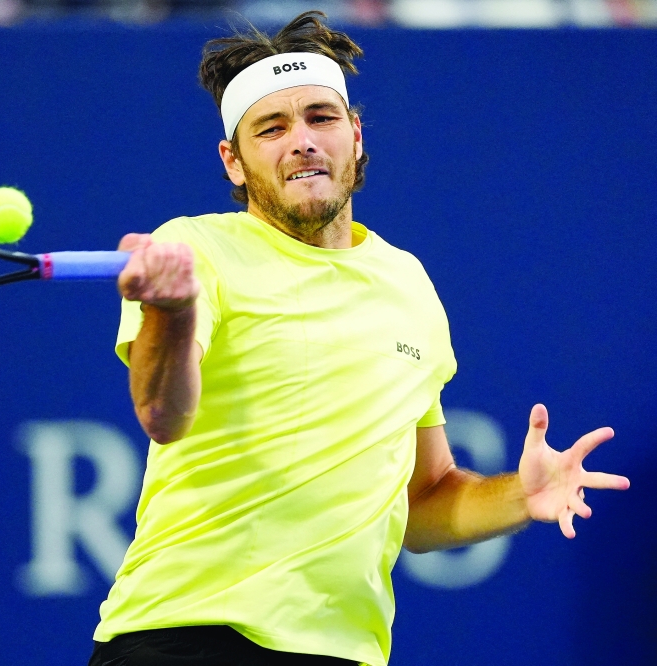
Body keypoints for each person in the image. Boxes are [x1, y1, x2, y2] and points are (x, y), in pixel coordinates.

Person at [88, 12, 630, 666]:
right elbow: (162, 415)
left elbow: (425, 506)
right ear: (233, 161)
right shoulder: (195, 248)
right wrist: (172, 314)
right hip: (187, 638)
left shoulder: (408, 283)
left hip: (346, 653)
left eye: (321, 117)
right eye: (272, 128)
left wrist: (523, 494)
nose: (303, 141)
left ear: (356, 134)